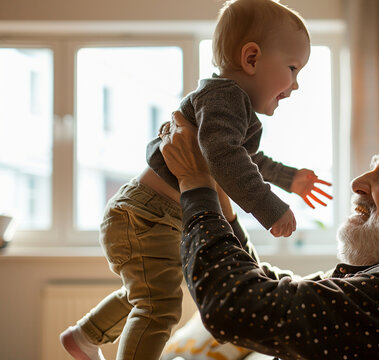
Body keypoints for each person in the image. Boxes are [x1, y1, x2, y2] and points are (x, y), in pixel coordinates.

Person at [59, 0, 331, 359]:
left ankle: (84, 336)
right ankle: (87, 337)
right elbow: (225, 158)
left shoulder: (234, 108)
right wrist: (270, 208)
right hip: (143, 216)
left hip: (155, 217)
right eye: (293, 69)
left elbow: (246, 159)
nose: (296, 85)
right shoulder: (223, 98)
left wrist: (289, 178)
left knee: (150, 290)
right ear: (251, 59)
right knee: (159, 306)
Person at [159, 117, 379, 360]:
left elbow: (234, 305)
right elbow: (272, 289)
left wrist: (195, 183)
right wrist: (222, 204)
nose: (358, 182)